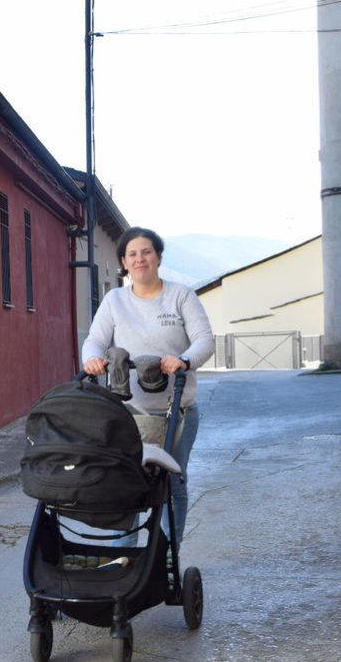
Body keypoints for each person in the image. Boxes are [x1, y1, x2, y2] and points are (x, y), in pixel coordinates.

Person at [81, 227, 216, 549]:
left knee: (172, 482)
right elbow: (95, 340)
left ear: (158, 257)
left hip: (176, 411)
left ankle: (166, 555)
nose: (139, 259)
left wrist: (183, 360)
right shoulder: (115, 300)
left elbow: (204, 340)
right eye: (132, 254)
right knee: (124, 482)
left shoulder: (181, 295)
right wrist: (92, 360)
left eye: (146, 252)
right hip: (127, 412)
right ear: (124, 262)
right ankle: (122, 557)